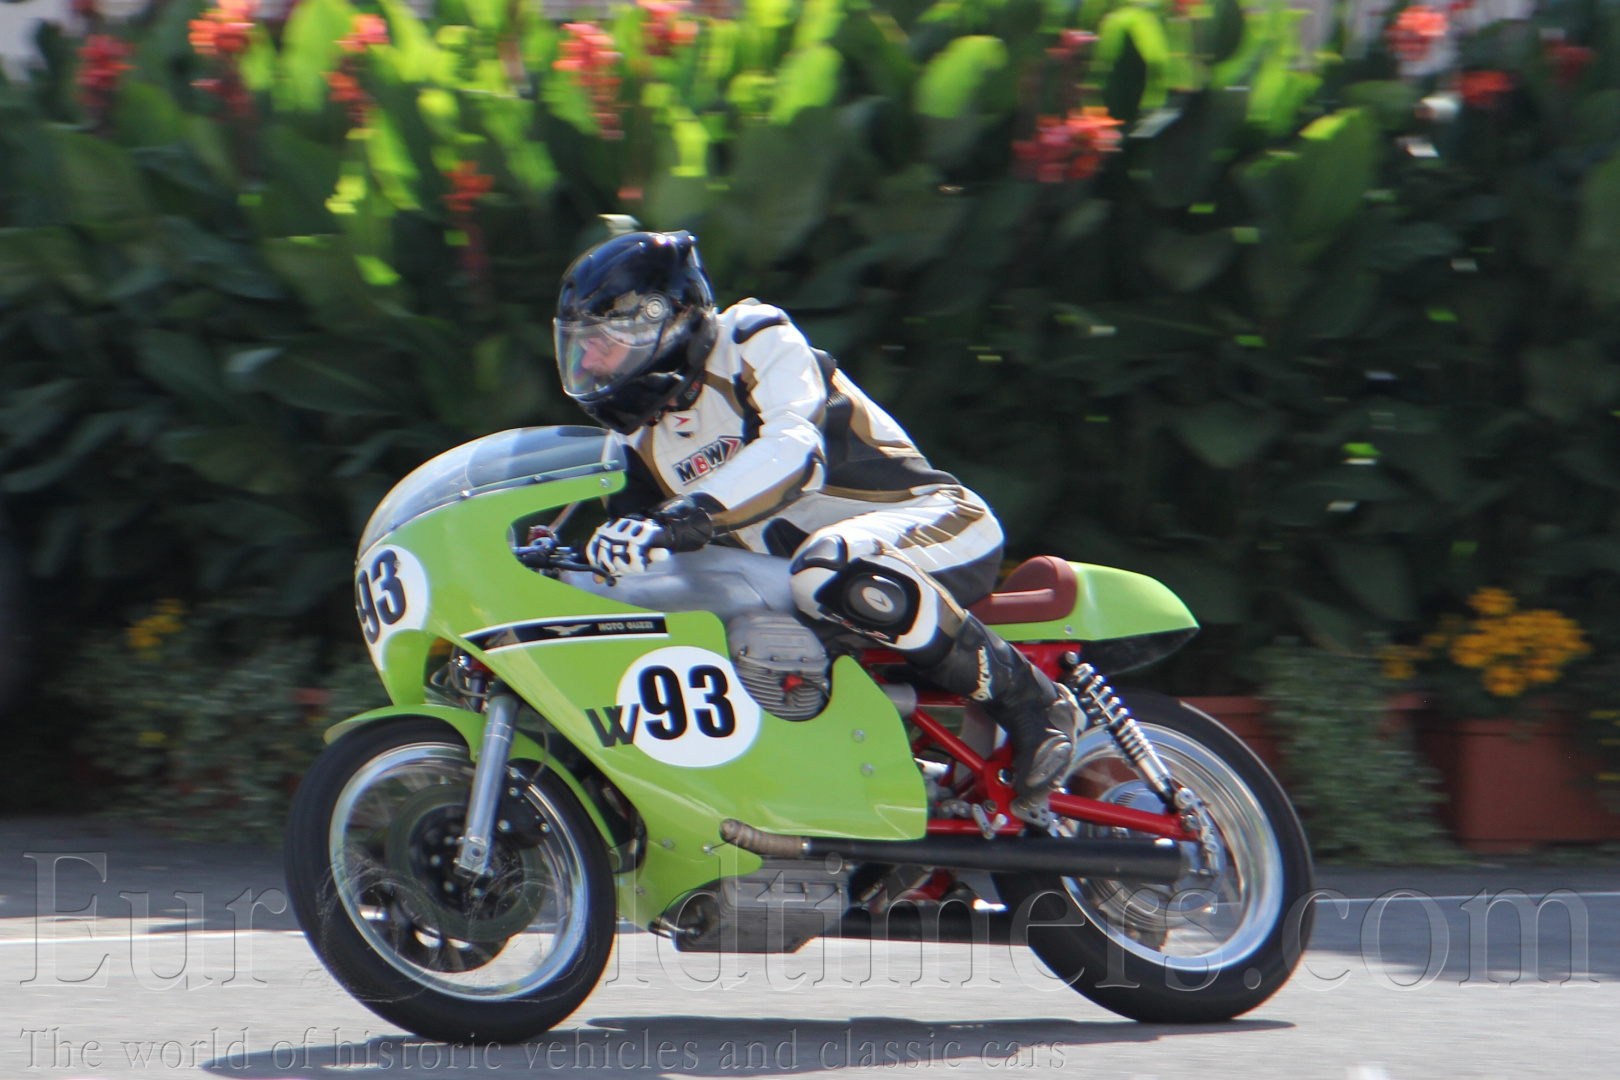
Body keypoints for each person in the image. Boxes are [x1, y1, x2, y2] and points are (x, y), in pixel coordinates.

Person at [554, 229, 1079, 823]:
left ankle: (1035, 704)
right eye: (579, 347)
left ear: (661, 322)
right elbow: (640, 558)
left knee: (826, 569)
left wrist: (684, 515)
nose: (588, 362)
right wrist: (567, 561)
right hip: (809, 585)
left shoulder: (752, 338)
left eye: (600, 342)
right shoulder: (637, 441)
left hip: (934, 526)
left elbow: (795, 447)